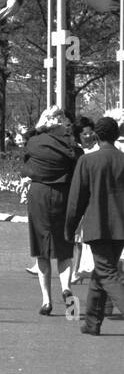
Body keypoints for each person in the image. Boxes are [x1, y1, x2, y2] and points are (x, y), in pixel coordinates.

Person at [63, 116, 124, 335]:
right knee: (102, 272)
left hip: (97, 226)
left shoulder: (88, 161)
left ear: (96, 135)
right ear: (116, 136)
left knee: (106, 272)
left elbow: (76, 200)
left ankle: (92, 321)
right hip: (121, 227)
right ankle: (92, 322)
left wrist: (69, 228)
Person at [22, 106, 79, 316]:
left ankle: (46, 301)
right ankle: (68, 293)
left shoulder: (33, 142)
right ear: (60, 122)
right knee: (64, 249)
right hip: (63, 194)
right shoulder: (70, 143)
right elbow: (77, 166)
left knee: (41, 250)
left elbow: (26, 168)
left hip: (38, 194)